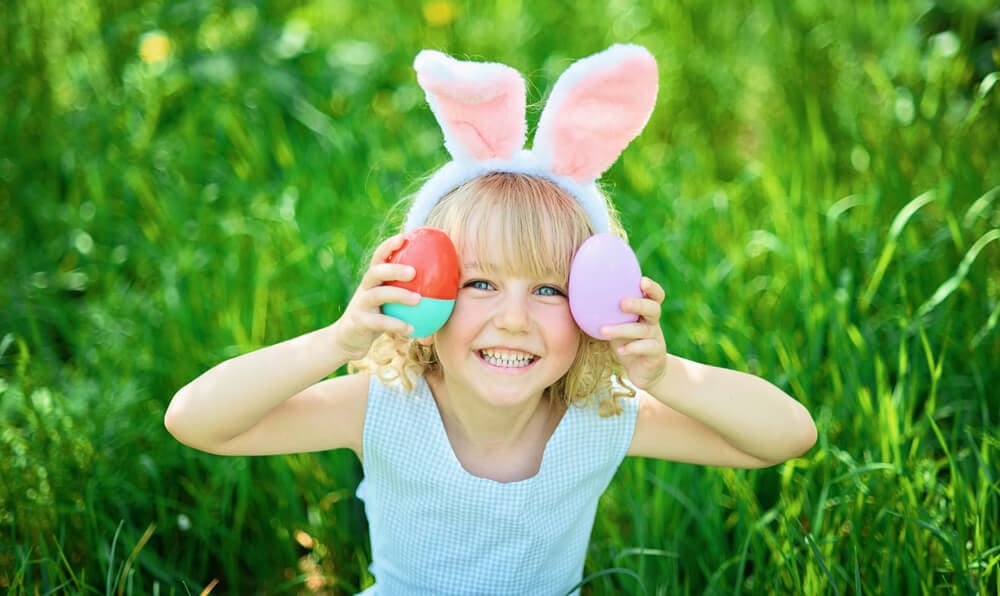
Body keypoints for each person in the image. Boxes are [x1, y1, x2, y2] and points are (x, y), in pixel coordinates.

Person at [165, 45, 817, 595]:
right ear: (424, 295)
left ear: (594, 310)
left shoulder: (600, 420)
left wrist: (666, 373)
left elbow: (784, 437)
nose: (512, 319)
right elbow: (196, 421)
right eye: (479, 283)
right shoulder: (383, 409)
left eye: (548, 290)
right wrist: (338, 341)